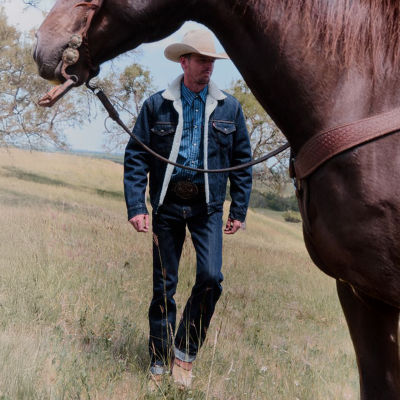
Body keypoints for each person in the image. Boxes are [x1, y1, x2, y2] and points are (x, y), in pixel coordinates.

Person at [123, 29, 252, 389]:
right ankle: (158, 360)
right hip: (166, 206)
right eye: (202, 60)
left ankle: (185, 354)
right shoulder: (156, 105)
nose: (208, 67)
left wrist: (238, 209)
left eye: (212, 61)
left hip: (207, 208)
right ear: (184, 62)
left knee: (211, 278)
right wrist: (136, 205)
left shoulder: (230, 108)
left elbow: (242, 162)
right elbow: (136, 157)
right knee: (164, 287)